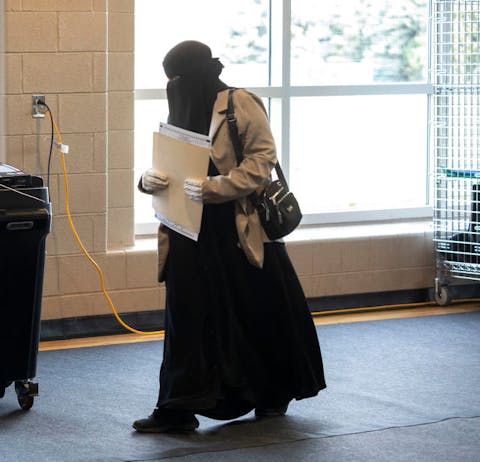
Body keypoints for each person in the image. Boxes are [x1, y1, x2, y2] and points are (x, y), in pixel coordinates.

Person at [133, 40, 326, 433]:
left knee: (253, 311)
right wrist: (147, 181)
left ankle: (271, 393)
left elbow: (262, 159)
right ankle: (176, 407)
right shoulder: (182, 108)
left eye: (180, 80)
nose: (176, 87)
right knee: (186, 318)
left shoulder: (239, 103)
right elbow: (172, 163)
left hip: (237, 229)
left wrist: (216, 187)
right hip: (187, 229)